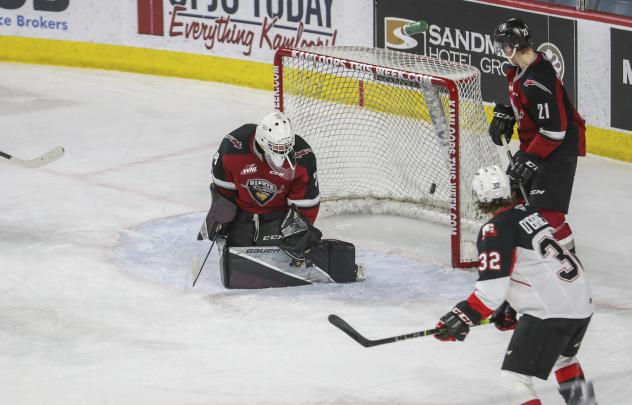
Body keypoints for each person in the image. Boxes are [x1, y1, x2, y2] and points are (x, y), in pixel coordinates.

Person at [433, 165, 595, 405]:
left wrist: (461, 316)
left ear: (478, 198)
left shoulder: (495, 229)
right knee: (565, 360)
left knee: (514, 378)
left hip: (552, 311)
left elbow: (490, 292)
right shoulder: (529, 213)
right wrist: (509, 306)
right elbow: (533, 266)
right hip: (581, 299)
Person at [198, 111, 364, 288]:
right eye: (277, 148)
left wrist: (301, 229)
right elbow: (223, 190)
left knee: (289, 255)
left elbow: (306, 204)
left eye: (286, 147)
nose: (283, 152)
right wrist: (221, 215)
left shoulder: (303, 156)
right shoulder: (234, 146)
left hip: (278, 216)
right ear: (262, 140)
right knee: (237, 257)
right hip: (243, 212)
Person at [488, 17, 586, 252]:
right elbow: (531, 109)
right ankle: (517, 252)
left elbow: (555, 129)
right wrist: (507, 114)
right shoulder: (518, 71)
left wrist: (530, 159)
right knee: (506, 200)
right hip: (536, 145)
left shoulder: (537, 80)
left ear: (512, 46)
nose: (500, 50)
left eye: (503, 45)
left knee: (547, 214)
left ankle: (568, 259)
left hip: (558, 150)